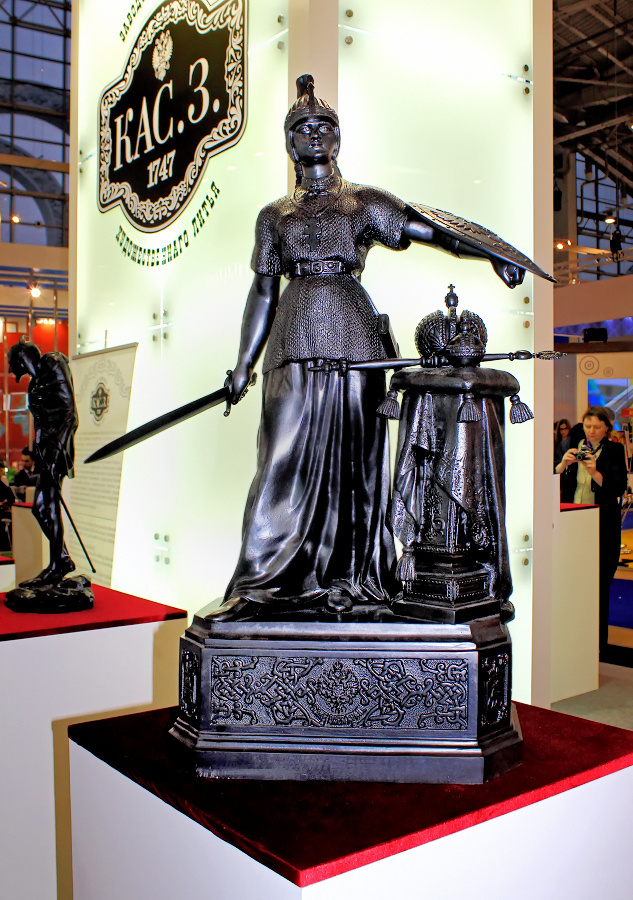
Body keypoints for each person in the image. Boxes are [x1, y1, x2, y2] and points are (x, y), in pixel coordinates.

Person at [213, 75, 533, 621]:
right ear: (290, 142)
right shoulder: (274, 216)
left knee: (355, 464)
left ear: (337, 138)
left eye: (324, 126)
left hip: (355, 340)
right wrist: (243, 363)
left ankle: (351, 577)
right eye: (303, 128)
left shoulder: (362, 202)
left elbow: (429, 230)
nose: (315, 134)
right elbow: (263, 292)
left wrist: (491, 254)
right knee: (279, 462)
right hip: (292, 338)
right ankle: (260, 581)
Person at [556, 405, 628, 652]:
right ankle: (573, 639)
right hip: (571, 522)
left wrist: (595, 472)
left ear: (607, 427)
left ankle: (598, 644)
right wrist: (562, 466)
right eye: (588, 426)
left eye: (597, 427)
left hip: (601, 525)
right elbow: (553, 481)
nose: (592, 431)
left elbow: (618, 488)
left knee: (599, 583)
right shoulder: (571, 446)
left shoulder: (615, 450)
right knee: (572, 581)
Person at [7, 338, 78, 585]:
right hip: (46, 451)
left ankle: (58, 564)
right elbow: (39, 424)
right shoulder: (35, 382)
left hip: (57, 448)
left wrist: (57, 449)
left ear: (22, 358)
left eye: (13, 364)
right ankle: (62, 559)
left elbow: (70, 414)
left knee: (47, 505)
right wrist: (40, 451)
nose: (11, 370)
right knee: (40, 508)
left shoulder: (53, 362)